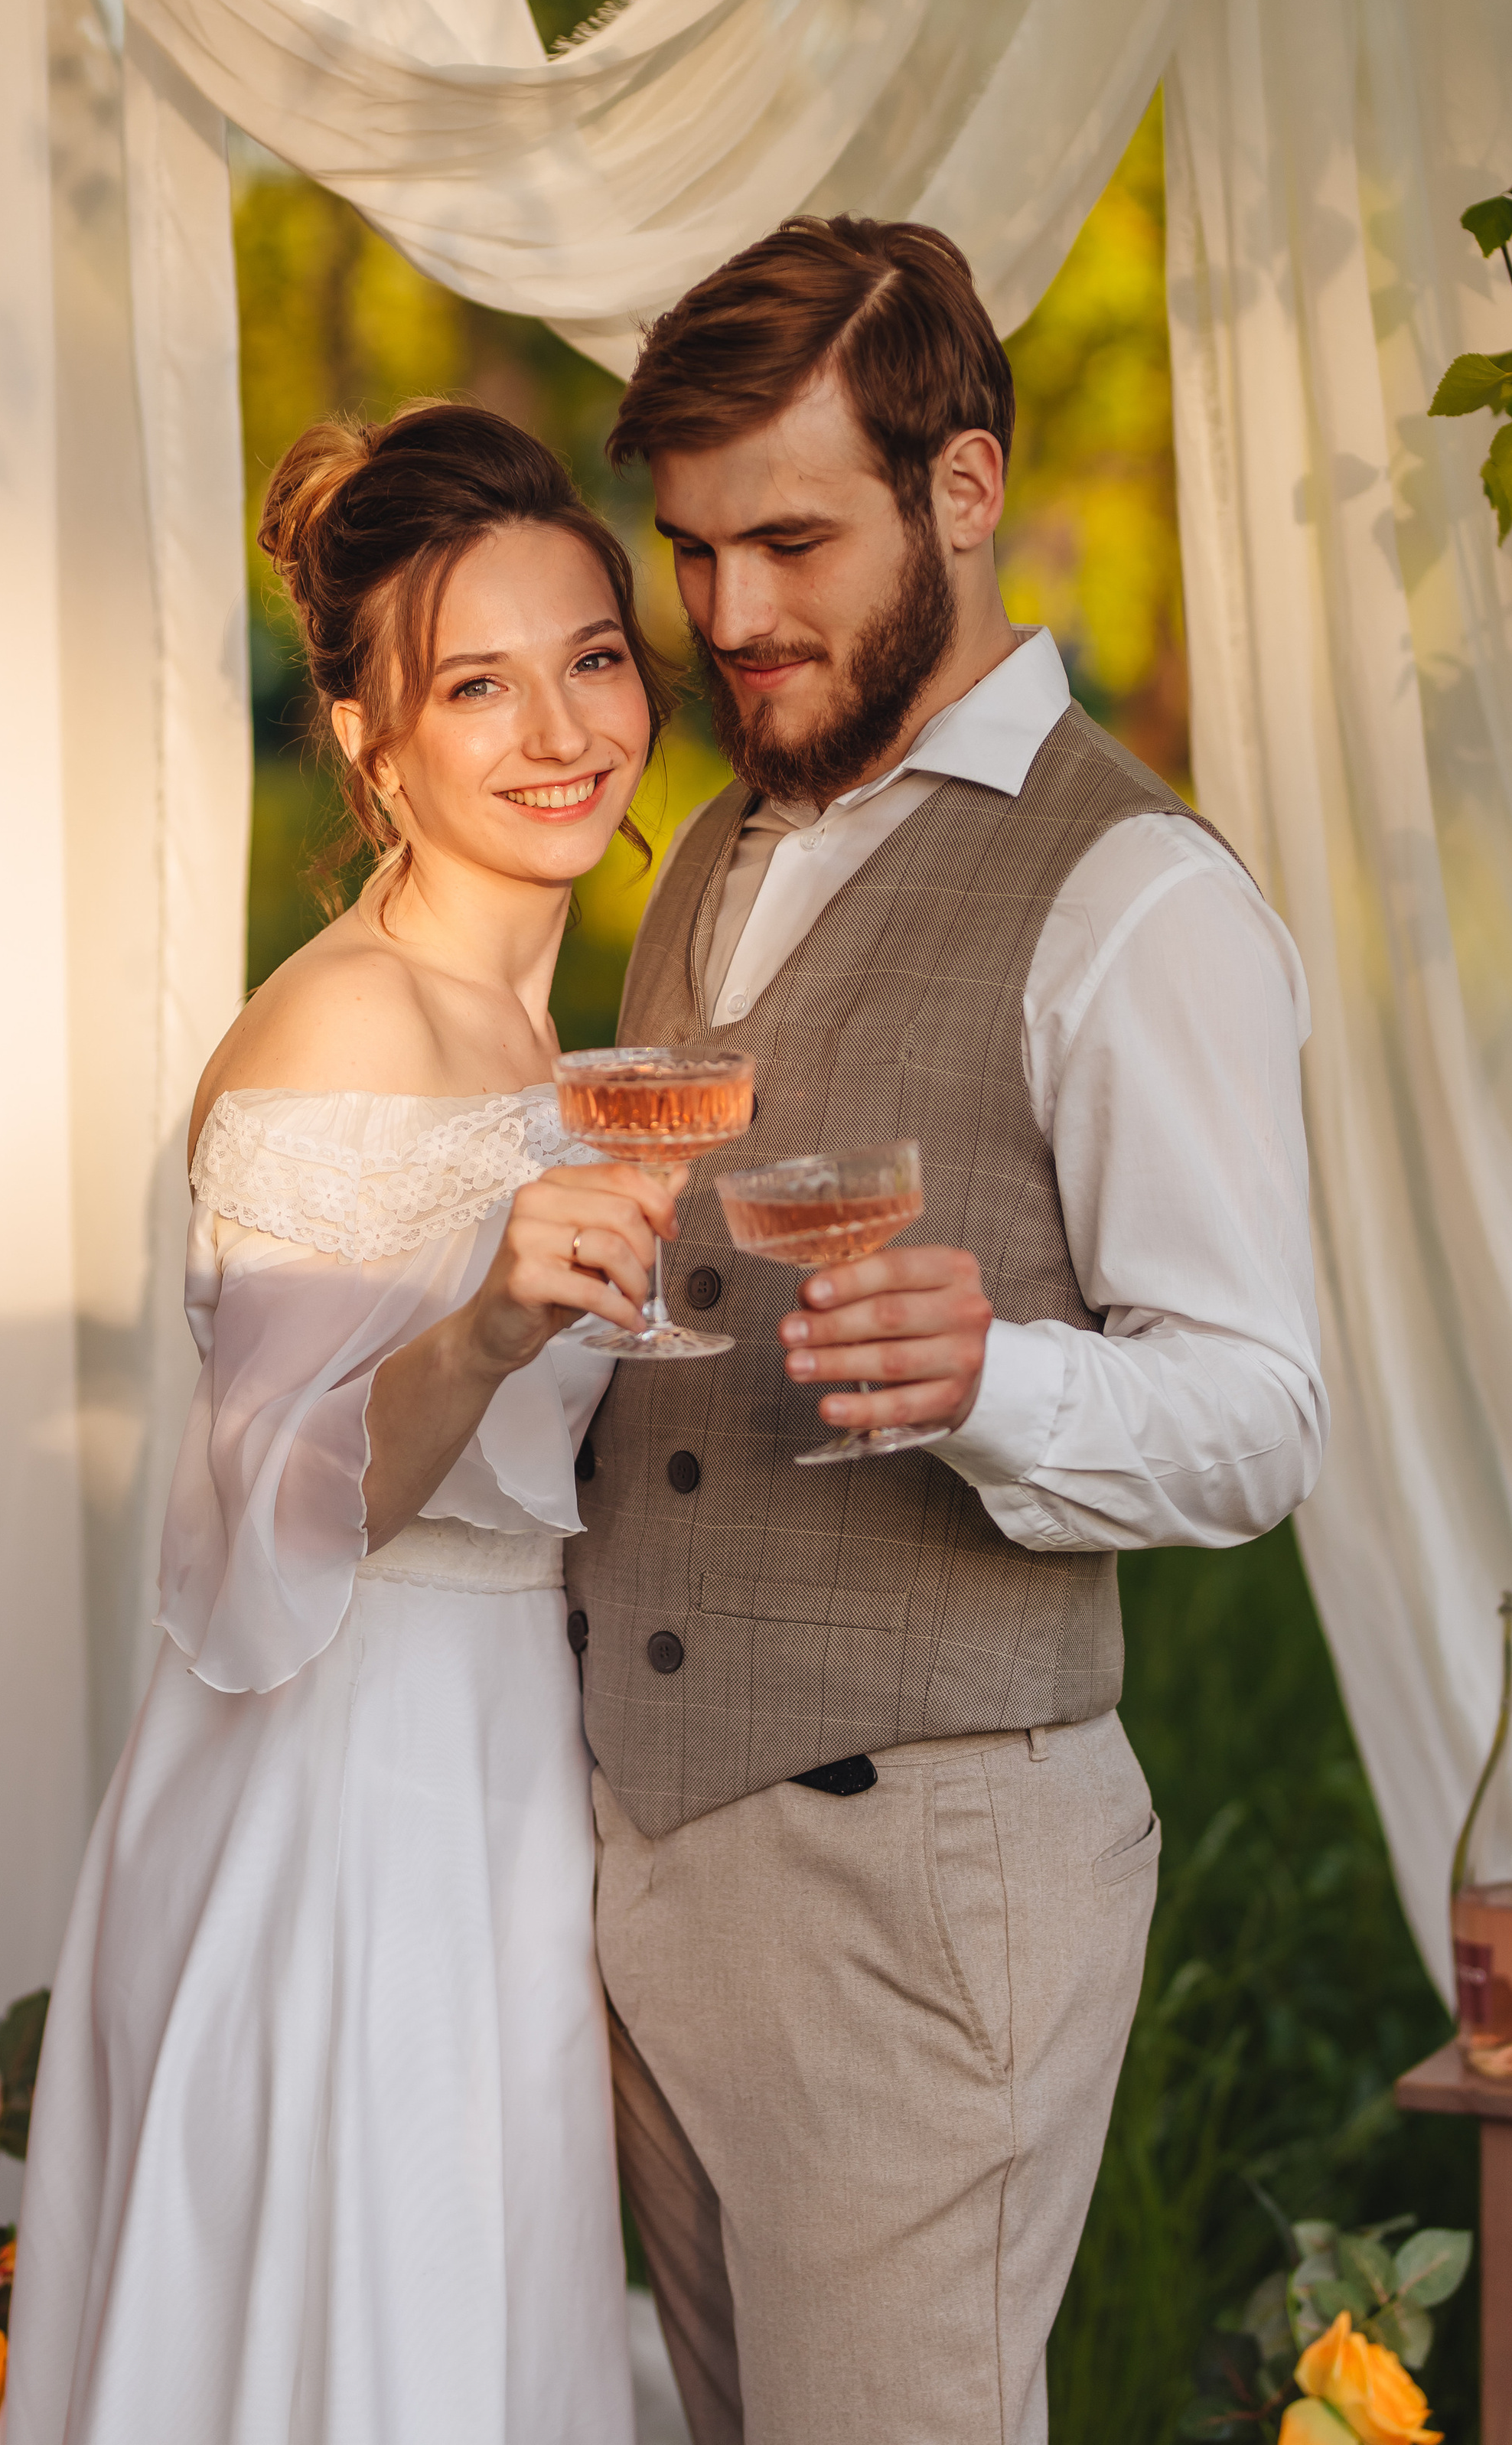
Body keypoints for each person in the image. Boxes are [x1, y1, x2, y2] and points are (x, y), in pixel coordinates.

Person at [564, 218, 1329, 2445]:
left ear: (965, 491)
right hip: (648, 1861)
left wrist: (994, 1375)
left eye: (792, 538)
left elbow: (1259, 1415)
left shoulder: (1140, 900)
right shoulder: (709, 847)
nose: (730, 617)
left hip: (921, 1881)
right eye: (695, 551)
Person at [3, 402, 685, 2445]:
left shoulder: (538, 1029)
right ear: (378, 747)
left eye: (590, 657)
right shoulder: (335, 1030)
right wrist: (485, 1324)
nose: (561, 727)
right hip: (350, 1804)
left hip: (498, 1776)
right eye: (475, 685)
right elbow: (265, 1500)